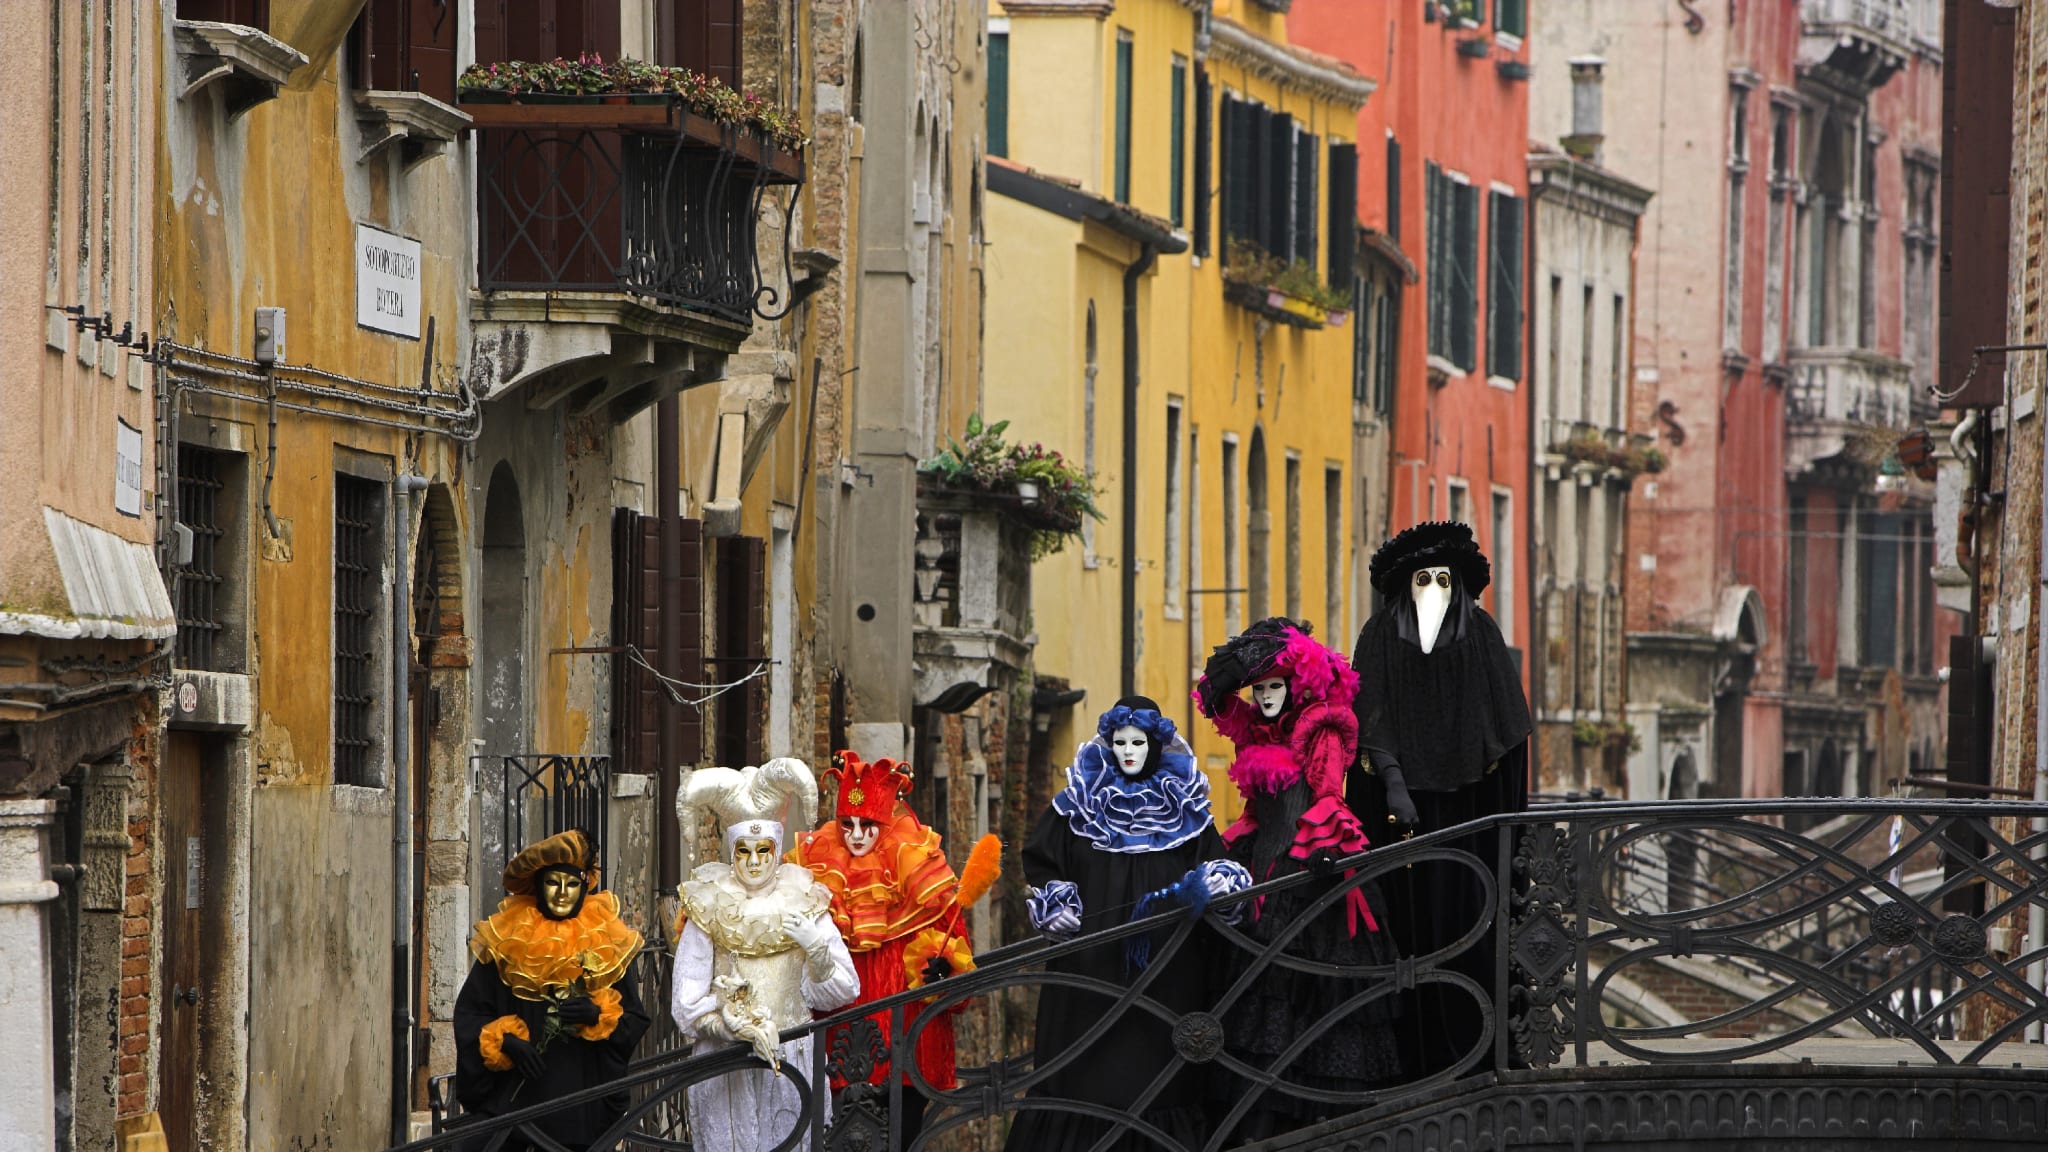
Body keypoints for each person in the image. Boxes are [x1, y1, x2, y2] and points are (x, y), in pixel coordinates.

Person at [1003, 697, 1252, 1152]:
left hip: (1169, 972)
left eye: (1138, 742)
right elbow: (1042, 863)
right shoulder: (1078, 802)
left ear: (1155, 745)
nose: (1129, 751)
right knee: (1085, 1073)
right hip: (1088, 970)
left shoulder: (1186, 808)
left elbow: (1215, 863)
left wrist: (1218, 883)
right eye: (1120, 742)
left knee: (1161, 1073)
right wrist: (1057, 902)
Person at [1195, 616, 1402, 1140]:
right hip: (1258, 866)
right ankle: (1259, 1116)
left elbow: (1329, 794)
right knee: (1259, 991)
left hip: (1309, 872)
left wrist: (1325, 846)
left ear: (1294, 684)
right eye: (1258, 687)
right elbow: (1216, 701)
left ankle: (1315, 1120)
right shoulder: (1258, 731)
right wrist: (1227, 672)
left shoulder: (1321, 730)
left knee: (1306, 987)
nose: (1264, 697)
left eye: (1273, 686)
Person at [1348, 521, 1533, 1076]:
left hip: (1469, 821)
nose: (1432, 590)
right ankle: (1409, 1061)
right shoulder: (1380, 636)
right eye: (1422, 579)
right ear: (1405, 585)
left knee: (1470, 934)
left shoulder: (1479, 635)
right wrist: (1395, 782)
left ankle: (1479, 1054)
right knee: (1406, 936)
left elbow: (1507, 726)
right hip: (1397, 821)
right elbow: (1370, 718)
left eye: (1443, 580)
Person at [787, 750, 1002, 1136]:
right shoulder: (817, 871)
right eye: (846, 823)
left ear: (884, 821)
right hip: (837, 1051)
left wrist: (944, 970)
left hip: (906, 1051)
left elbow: (959, 972)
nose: (855, 836)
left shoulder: (920, 871)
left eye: (867, 824)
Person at [672, 759, 861, 1151]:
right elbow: (685, 1005)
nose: (755, 862)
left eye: (764, 850)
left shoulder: (805, 901)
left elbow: (845, 989)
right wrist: (730, 1024)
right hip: (726, 1065)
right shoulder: (709, 907)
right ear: (731, 851)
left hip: (791, 1056)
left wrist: (817, 949)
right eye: (744, 851)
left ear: (776, 849)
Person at [453, 829, 650, 1150]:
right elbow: (470, 1014)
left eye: (572, 884)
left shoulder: (604, 940)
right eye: (552, 883)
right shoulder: (508, 939)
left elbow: (634, 1019)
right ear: (538, 886)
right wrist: (507, 1042)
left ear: (585, 886)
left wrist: (596, 1015)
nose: (561, 893)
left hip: (581, 1104)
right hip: (517, 1103)